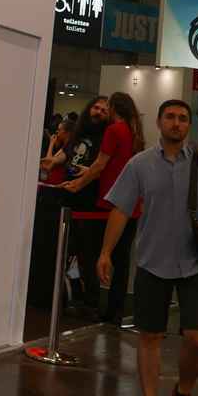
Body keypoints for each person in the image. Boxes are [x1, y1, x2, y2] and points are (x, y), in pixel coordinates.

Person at [98, 99, 198, 396]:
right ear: (159, 122)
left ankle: (183, 390)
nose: (176, 123)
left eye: (182, 118)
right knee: (150, 336)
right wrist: (105, 253)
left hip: (195, 264)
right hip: (152, 261)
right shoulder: (139, 164)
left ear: (188, 125)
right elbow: (121, 210)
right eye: (170, 117)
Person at [78, 91, 145, 325]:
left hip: (109, 203)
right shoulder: (135, 134)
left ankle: (93, 303)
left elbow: (100, 165)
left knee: (96, 254)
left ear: (114, 107)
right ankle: (115, 310)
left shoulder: (114, 130)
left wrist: (77, 183)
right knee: (122, 260)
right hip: (132, 204)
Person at [50, 96, 110, 311]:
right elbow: (65, 153)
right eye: (96, 107)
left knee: (87, 254)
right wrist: (51, 161)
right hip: (68, 197)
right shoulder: (79, 132)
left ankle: (91, 302)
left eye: (104, 110)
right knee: (65, 250)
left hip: (89, 203)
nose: (98, 112)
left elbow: (102, 166)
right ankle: (67, 295)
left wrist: (88, 173)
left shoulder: (106, 137)